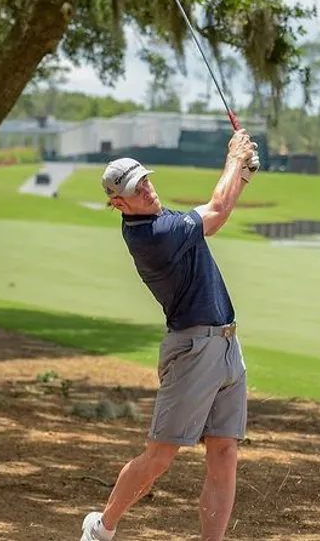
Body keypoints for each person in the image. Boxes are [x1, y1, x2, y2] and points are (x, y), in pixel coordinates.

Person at [80, 129, 260, 541]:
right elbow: (215, 212)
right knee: (160, 456)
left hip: (227, 345)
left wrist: (243, 174)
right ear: (118, 204)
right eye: (135, 190)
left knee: (225, 453)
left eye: (145, 180)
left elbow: (213, 210)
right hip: (193, 349)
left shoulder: (162, 219)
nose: (147, 190)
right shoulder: (152, 236)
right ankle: (102, 528)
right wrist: (234, 158)